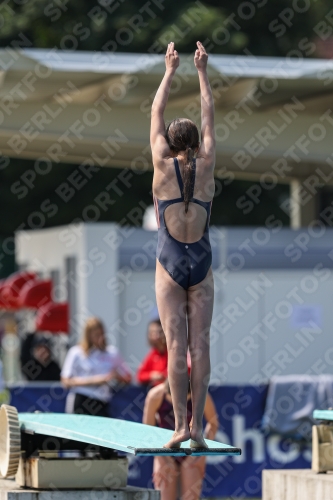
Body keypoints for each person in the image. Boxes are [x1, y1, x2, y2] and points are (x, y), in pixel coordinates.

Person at [151, 41, 215, 448]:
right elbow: (209, 112)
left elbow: (155, 112)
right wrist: (202, 71)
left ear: (172, 144)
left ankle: (178, 426)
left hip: (170, 264)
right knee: (200, 345)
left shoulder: (160, 162)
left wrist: (170, 70)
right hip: (202, 264)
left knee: (176, 347)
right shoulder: (207, 163)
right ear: (194, 143)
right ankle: (198, 433)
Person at [143, 379, 218, 500]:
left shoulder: (201, 395)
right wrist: (162, 457)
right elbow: (148, 431)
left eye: (185, 402)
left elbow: (213, 424)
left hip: (191, 453)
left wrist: (201, 454)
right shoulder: (155, 395)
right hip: (164, 451)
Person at [61, 317, 131, 417]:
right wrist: (96, 380)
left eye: (101, 334)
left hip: (102, 400)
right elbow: (65, 381)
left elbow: (128, 377)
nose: (99, 338)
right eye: (96, 335)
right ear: (88, 336)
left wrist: (116, 376)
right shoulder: (76, 352)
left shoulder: (112, 352)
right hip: (81, 398)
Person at [137, 319, 168, 386]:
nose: (155, 336)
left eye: (158, 332)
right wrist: (152, 375)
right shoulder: (153, 354)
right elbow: (140, 376)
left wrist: (163, 376)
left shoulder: (174, 352)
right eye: (151, 332)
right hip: (156, 389)